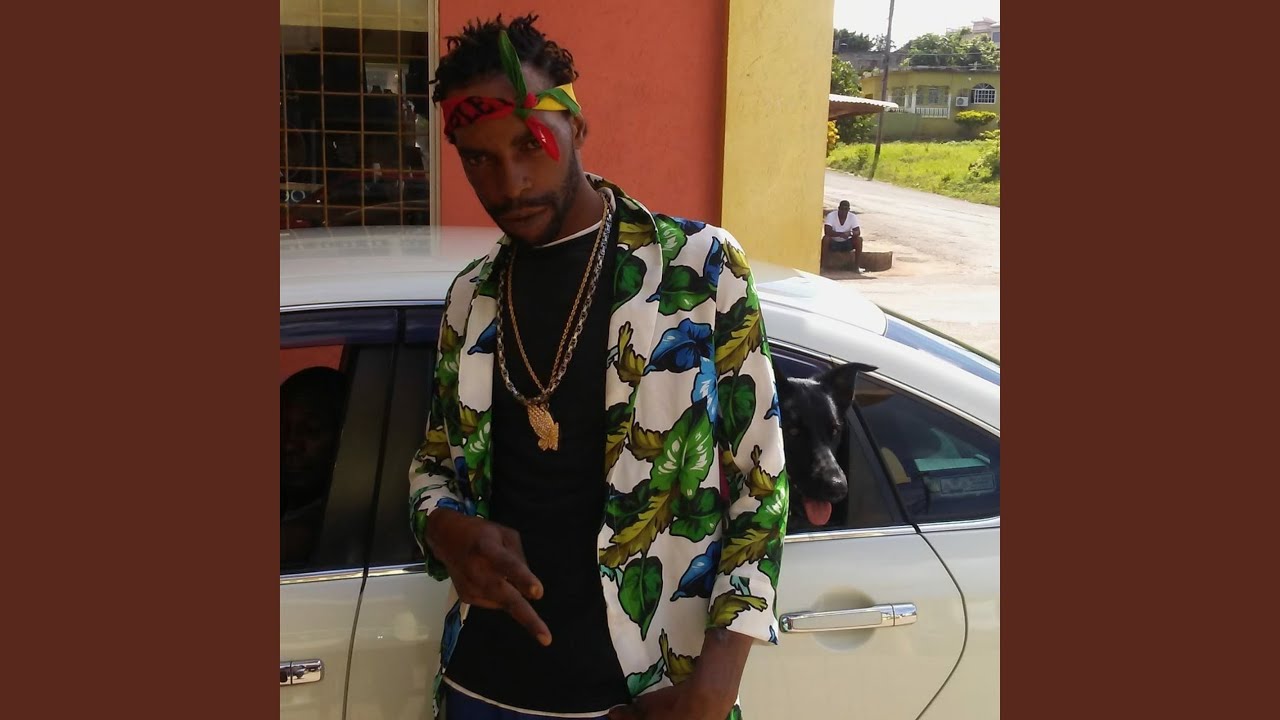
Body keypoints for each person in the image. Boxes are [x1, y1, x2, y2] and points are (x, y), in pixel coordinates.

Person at [408, 14, 789, 720]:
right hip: (483, 686)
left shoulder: (698, 270)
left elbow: (761, 483)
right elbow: (433, 466)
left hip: (646, 693)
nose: (510, 182)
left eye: (531, 144)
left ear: (576, 127)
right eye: (479, 159)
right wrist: (445, 529)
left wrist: (715, 687)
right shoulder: (470, 299)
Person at [823, 199, 864, 272]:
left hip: (846, 243)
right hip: (834, 243)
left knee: (859, 240)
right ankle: (823, 266)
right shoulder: (831, 215)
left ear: (848, 210)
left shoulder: (852, 217)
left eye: (846, 209)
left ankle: (856, 267)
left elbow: (858, 232)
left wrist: (850, 233)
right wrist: (841, 234)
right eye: (842, 209)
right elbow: (827, 231)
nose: (843, 211)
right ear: (838, 208)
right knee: (826, 239)